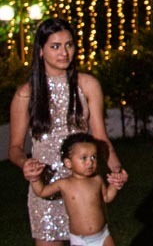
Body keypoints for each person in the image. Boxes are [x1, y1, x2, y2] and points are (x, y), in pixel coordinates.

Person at [8, 17, 126, 246]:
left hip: (84, 186)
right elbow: (14, 148)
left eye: (69, 45)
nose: (64, 52)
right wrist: (26, 164)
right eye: (55, 46)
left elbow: (100, 138)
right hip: (46, 187)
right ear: (40, 51)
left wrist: (116, 168)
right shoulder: (25, 94)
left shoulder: (87, 84)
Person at [29, 132, 128, 246]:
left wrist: (115, 185)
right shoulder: (64, 183)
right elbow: (41, 191)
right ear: (68, 163)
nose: (90, 162)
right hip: (80, 240)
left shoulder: (97, 180)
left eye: (93, 157)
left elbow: (106, 197)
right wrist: (35, 178)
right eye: (84, 158)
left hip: (103, 235)